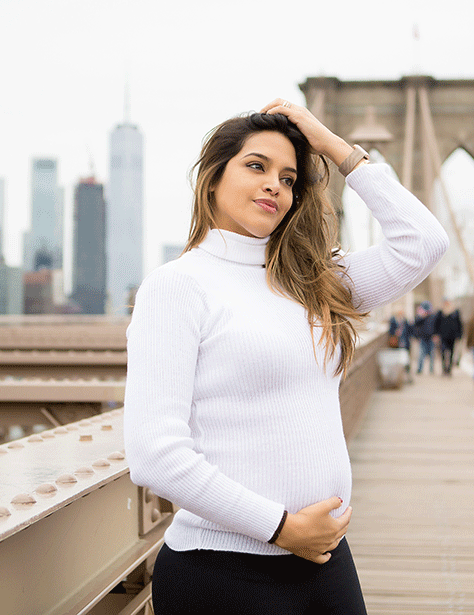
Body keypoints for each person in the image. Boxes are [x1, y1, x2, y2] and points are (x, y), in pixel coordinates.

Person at [123, 99, 448, 615]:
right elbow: (153, 454)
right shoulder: (177, 287)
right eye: (256, 166)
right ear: (211, 179)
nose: (275, 183)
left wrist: (334, 147)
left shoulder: (312, 283)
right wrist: (282, 528)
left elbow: (423, 243)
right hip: (223, 572)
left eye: (290, 177)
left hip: (325, 561)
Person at [435, 299, 463, 376]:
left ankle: (449, 369)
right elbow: (436, 324)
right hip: (443, 336)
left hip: (452, 336)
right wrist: (436, 334)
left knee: (451, 353)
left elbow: (459, 324)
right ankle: (444, 369)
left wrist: (459, 335)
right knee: (443, 352)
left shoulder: (455, 312)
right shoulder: (440, 313)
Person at [412, 301, 438, 374]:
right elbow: (415, 325)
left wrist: (435, 335)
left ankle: (431, 370)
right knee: (421, 355)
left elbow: (436, 326)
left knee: (432, 355)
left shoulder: (433, 316)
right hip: (422, 338)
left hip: (431, 338)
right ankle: (419, 369)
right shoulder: (420, 317)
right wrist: (421, 316)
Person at [388, 308, 413, 382]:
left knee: (407, 360)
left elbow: (410, 331)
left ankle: (408, 376)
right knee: (398, 361)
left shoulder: (405, 321)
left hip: (405, 344)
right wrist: (395, 332)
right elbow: (390, 332)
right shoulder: (393, 321)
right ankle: (399, 377)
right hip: (397, 344)